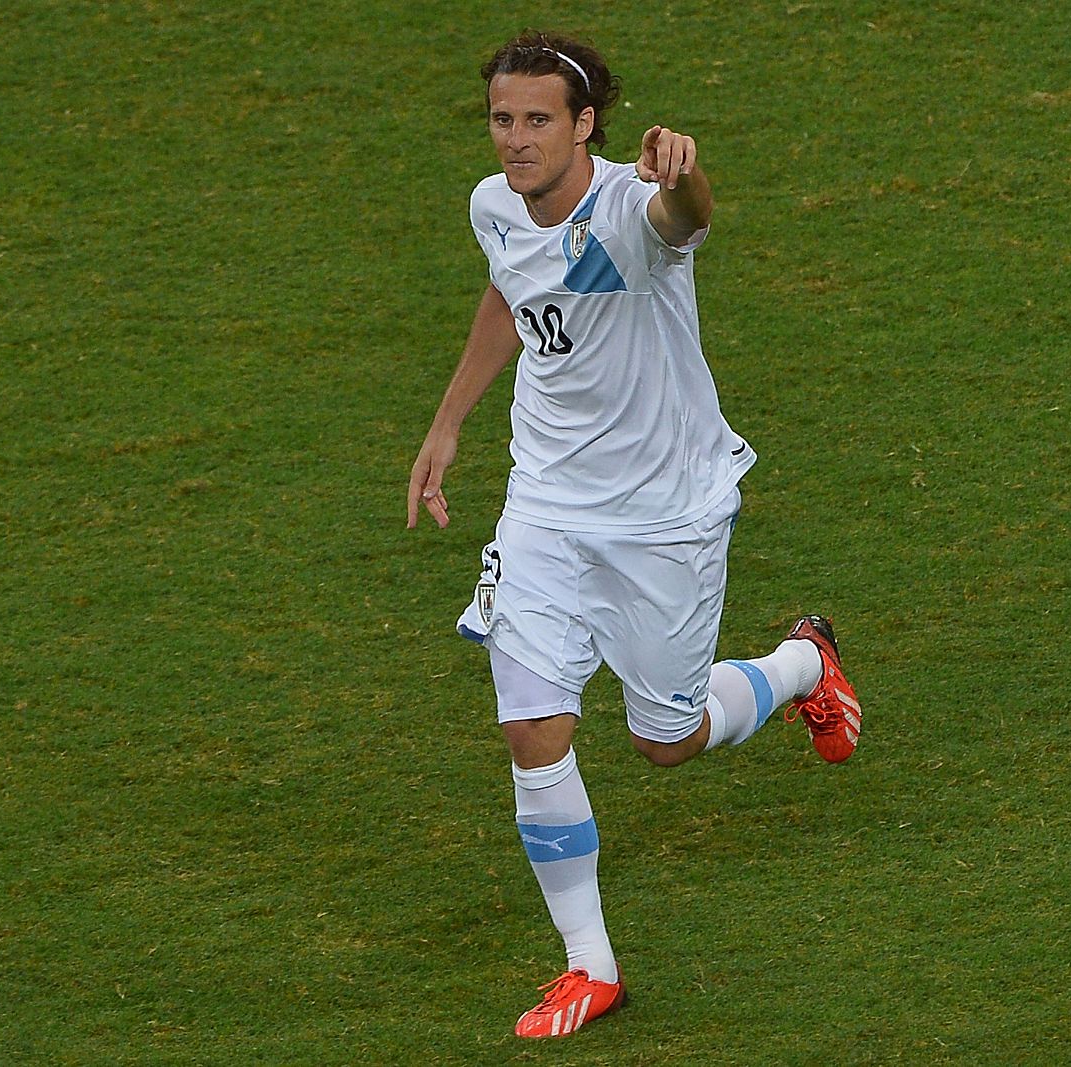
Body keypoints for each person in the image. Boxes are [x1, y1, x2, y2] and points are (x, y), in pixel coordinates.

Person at [405, 30, 863, 1040]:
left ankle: (802, 663)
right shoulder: (493, 205)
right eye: (501, 119)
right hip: (544, 505)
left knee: (667, 739)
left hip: (665, 516)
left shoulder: (630, 211)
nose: (515, 139)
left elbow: (684, 217)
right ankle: (590, 964)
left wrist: (684, 176)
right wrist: (448, 422)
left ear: (585, 125)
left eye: (537, 120)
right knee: (532, 727)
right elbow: (512, 290)